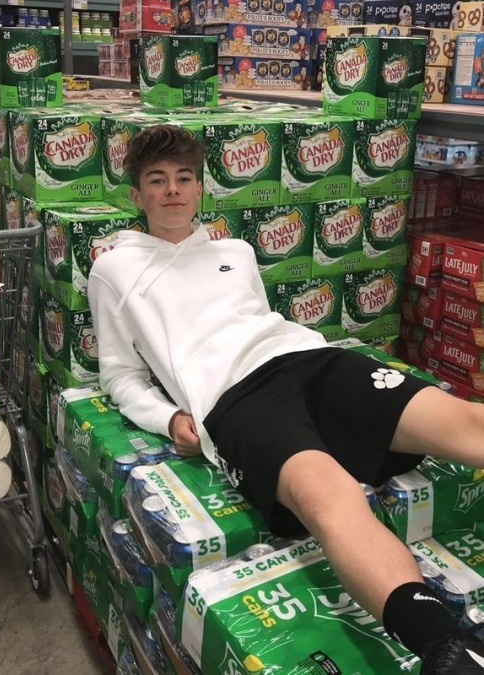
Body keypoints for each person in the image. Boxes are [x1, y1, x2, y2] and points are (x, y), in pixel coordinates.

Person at [88, 124, 484, 673]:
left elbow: (257, 319)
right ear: (137, 195)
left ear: (200, 188)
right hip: (235, 401)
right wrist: (169, 417)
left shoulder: (236, 251)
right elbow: (120, 375)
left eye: (184, 177)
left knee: (466, 422)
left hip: (308, 359)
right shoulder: (113, 269)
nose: (173, 190)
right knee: (329, 499)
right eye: (157, 180)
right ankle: (448, 649)